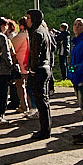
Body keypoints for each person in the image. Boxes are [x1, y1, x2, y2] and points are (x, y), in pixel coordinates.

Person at [26, 9, 54, 140]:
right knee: (44, 101)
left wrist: (32, 70)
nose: (27, 21)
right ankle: (45, 129)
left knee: (41, 101)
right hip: (45, 68)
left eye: (28, 18)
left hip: (39, 70)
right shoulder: (44, 31)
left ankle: (44, 131)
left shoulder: (37, 33)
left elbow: (35, 54)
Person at [12, 16, 32, 115]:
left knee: (20, 86)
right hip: (28, 64)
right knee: (27, 86)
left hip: (21, 64)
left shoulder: (21, 36)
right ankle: (28, 105)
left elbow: (12, 48)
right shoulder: (31, 35)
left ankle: (24, 106)